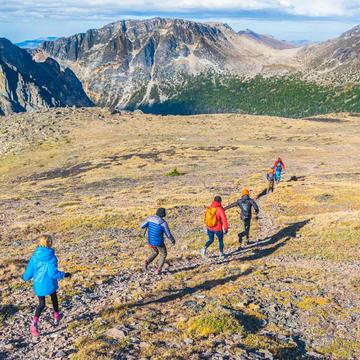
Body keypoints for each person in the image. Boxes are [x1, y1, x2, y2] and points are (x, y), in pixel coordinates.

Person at [22, 234, 71, 337]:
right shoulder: (52, 257)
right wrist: (64, 274)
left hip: (39, 284)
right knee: (54, 298)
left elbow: (29, 272)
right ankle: (56, 316)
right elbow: (53, 273)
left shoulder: (34, 257)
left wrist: (24, 277)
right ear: (49, 243)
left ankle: (34, 324)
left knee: (41, 304)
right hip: (50, 283)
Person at [141, 208, 176, 275]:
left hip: (150, 241)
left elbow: (142, 226)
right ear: (163, 214)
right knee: (164, 253)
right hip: (159, 242)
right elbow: (168, 234)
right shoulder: (163, 223)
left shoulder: (150, 218)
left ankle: (146, 262)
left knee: (155, 252)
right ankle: (158, 270)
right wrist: (172, 240)